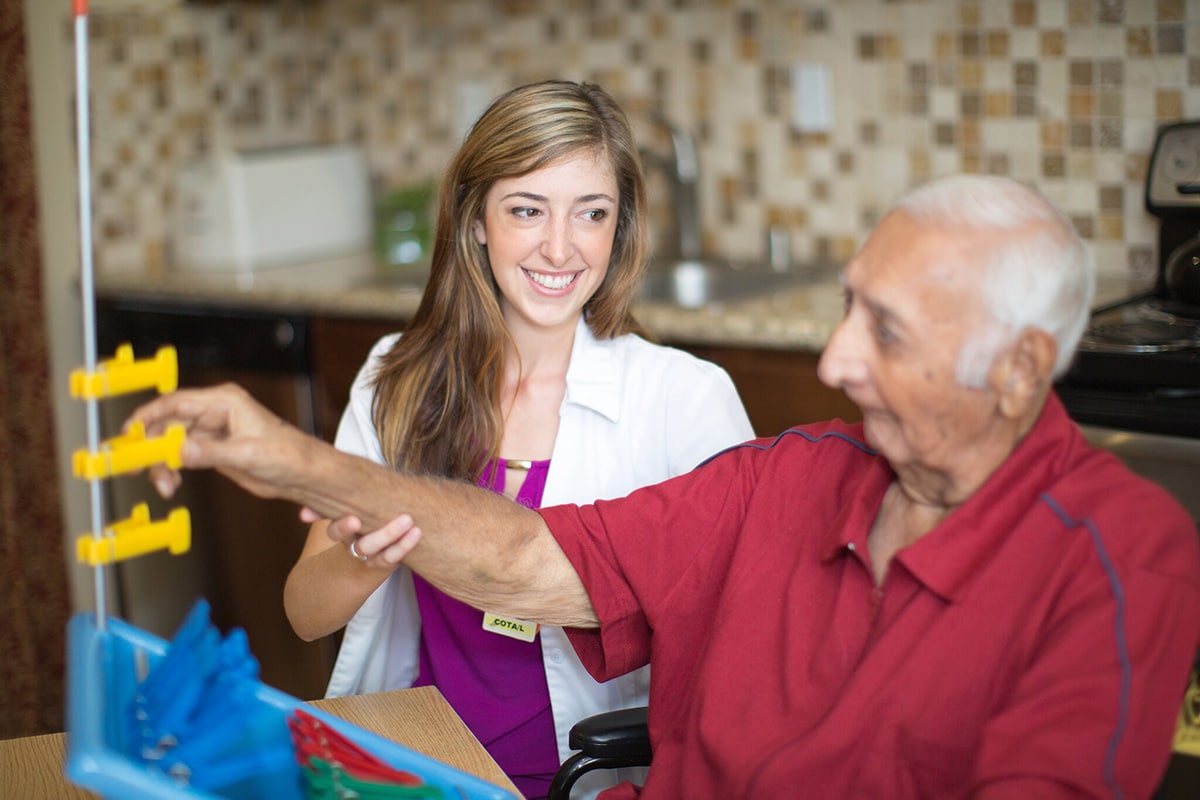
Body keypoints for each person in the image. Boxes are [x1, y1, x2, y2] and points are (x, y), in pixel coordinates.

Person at [131, 174, 1200, 799]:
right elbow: (522, 559)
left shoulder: (1119, 559)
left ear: (1015, 370)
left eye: (883, 329)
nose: (831, 360)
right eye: (844, 307)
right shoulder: (796, 474)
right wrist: (291, 460)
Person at [279, 80, 753, 798]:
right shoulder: (393, 382)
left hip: (586, 780)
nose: (559, 249)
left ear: (618, 227)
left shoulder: (683, 401)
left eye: (590, 214)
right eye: (527, 210)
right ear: (476, 221)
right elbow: (304, 613)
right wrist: (362, 552)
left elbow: (746, 643)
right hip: (413, 768)